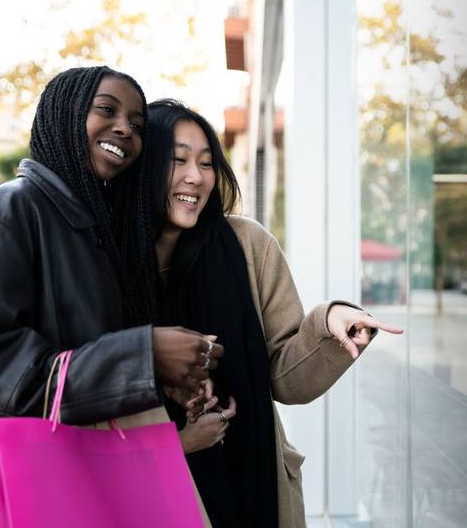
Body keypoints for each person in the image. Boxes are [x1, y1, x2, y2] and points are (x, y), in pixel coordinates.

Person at [0, 67, 220, 528]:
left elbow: (74, 353)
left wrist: (152, 377)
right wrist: (141, 355)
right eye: (106, 110)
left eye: (138, 125)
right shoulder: (6, 213)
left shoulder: (85, 229)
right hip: (11, 496)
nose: (124, 128)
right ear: (64, 115)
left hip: (74, 493)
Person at [142, 99, 403, 528]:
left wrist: (330, 322)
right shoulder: (106, 261)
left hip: (251, 480)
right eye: (178, 160)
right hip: (153, 488)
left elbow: (283, 375)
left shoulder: (248, 245)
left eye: (206, 163)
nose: (196, 176)